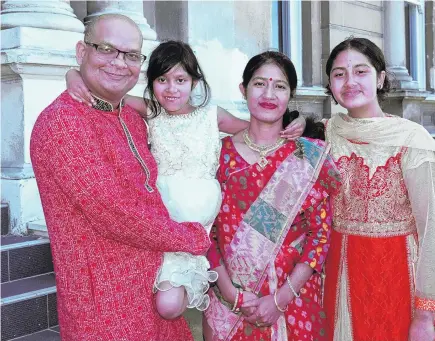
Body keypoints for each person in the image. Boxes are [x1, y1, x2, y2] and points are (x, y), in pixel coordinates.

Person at [66, 40, 307, 320]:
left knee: (168, 306)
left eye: (180, 79)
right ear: (152, 83)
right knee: (166, 307)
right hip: (162, 223)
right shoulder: (152, 112)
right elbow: (103, 94)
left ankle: (200, 286)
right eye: (162, 79)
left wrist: (297, 118)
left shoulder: (211, 116)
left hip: (200, 227)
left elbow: (259, 130)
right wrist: (72, 75)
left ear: (194, 83)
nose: (171, 88)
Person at [30, 14, 211, 341]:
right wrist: (193, 238)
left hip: (154, 297)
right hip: (104, 311)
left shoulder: (132, 116)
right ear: (81, 52)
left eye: (130, 55)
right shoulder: (61, 123)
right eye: (106, 49)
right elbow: (114, 213)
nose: (119, 63)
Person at [322, 37, 435, 341]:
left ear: (380, 78)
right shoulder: (327, 133)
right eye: (339, 74)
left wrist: (424, 316)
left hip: (395, 280)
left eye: (361, 71)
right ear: (330, 83)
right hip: (336, 278)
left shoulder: (412, 141)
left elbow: (433, 232)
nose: (349, 81)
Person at [203, 51, 335, 341]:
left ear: (291, 95)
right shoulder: (217, 155)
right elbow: (205, 231)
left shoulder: (308, 155)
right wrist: (229, 293)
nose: (269, 94)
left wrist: (280, 299)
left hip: (294, 304)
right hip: (229, 305)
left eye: (280, 86)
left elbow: (320, 236)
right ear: (243, 89)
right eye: (260, 83)